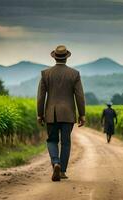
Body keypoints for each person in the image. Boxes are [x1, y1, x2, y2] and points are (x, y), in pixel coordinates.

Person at [37, 45, 86, 182]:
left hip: (51, 114)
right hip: (68, 114)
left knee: (52, 140)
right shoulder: (74, 74)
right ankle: (62, 171)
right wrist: (82, 114)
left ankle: (56, 162)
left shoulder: (46, 74)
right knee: (66, 143)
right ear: (66, 58)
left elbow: (41, 97)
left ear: (54, 57)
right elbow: (79, 96)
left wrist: (40, 114)